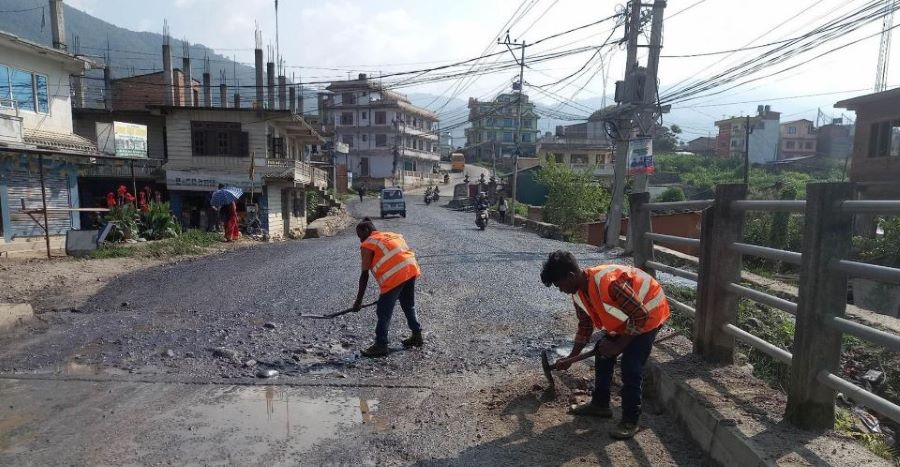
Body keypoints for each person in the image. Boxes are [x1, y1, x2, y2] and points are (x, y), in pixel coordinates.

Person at [540, 251, 670, 439]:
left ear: (570, 276)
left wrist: (618, 346)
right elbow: (585, 326)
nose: (560, 290)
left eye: (559, 285)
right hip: (629, 317)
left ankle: (630, 420)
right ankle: (600, 404)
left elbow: (641, 315)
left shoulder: (609, 283)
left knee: (630, 365)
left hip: (650, 312)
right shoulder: (578, 294)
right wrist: (571, 357)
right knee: (602, 351)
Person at [352, 218, 424, 357]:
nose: (360, 240)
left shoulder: (368, 244)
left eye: (360, 236)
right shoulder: (392, 235)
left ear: (367, 231)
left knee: (383, 311)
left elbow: (364, 275)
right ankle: (417, 335)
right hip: (410, 269)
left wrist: (358, 301)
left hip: (396, 276)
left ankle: (381, 345)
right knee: (408, 305)